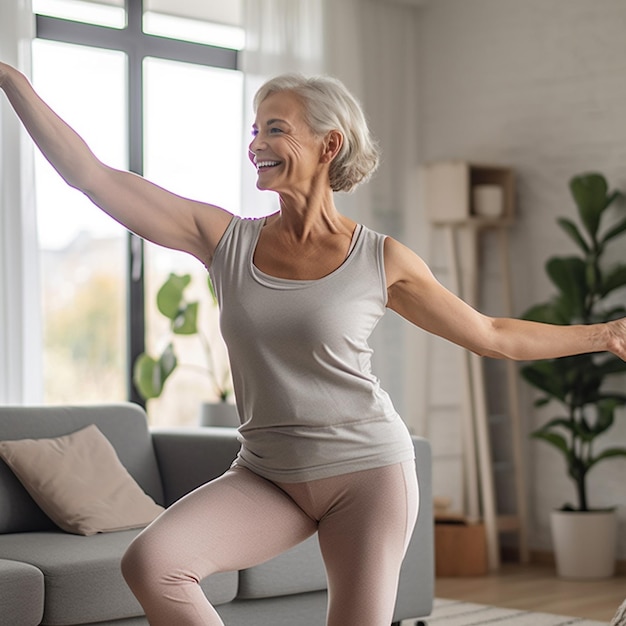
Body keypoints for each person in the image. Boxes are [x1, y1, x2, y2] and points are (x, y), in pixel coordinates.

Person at [1, 63, 625, 626]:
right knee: (154, 563)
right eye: (254, 130)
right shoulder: (225, 240)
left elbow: (491, 335)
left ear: (329, 145)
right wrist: (10, 79)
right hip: (268, 474)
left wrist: (605, 333)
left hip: (368, 474)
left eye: (275, 128)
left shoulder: (380, 259)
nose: (256, 144)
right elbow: (90, 176)